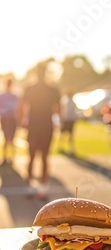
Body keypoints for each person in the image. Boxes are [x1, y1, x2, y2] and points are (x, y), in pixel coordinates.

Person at [19, 64, 61, 199]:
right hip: (41, 126)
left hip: (40, 126)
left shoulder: (47, 89)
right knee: (39, 157)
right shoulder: (47, 89)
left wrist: (22, 122)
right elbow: (59, 109)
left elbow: (21, 107)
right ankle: (37, 187)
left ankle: (35, 187)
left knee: (37, 157)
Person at [0, 78, 19, 165]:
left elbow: (19, 109)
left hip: (13, 119)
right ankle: (4, 157)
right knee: (5, 138)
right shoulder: (2, 96)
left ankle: (11, 158)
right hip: (5, 119)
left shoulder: (15, 96)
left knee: (12, 139)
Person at [59, 90, 79, 155]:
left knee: (65, 134)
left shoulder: (67, 102)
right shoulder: (70, 102)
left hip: (67, 120)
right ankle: (68, 148)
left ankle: (62, 147)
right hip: (69, 120)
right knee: (69, 135)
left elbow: (64, 112)